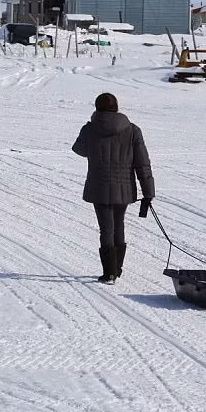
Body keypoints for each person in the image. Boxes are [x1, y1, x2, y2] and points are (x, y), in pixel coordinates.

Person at [72, 93, 155, 284]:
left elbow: (79, 150)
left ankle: (109, 272)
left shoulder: (90, 129)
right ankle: (116, 269)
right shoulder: (133, 130)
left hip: (98, 186)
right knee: (119, 225)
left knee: (106, 228)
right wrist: (148, 192)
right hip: (124, 186)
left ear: (97, 108)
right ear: (117, 108)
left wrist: (89, 129)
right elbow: (143, 163)